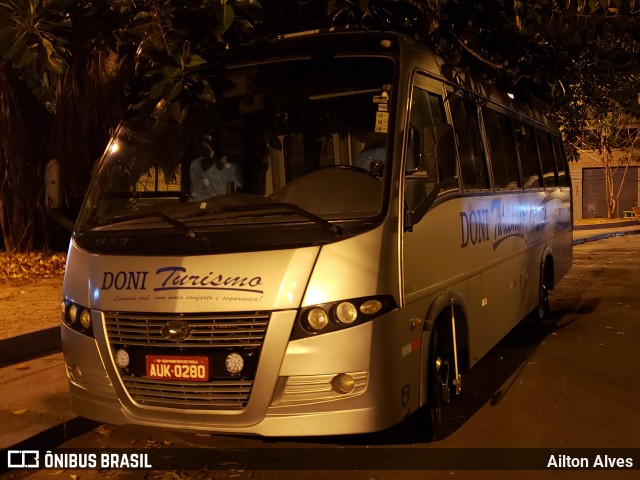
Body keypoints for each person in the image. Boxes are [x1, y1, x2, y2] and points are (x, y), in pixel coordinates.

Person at [189, 135, 243, 201]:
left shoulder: (233, 167)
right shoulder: (197, 165)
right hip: (206, 206)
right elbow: (196, 192)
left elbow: (237, 191)